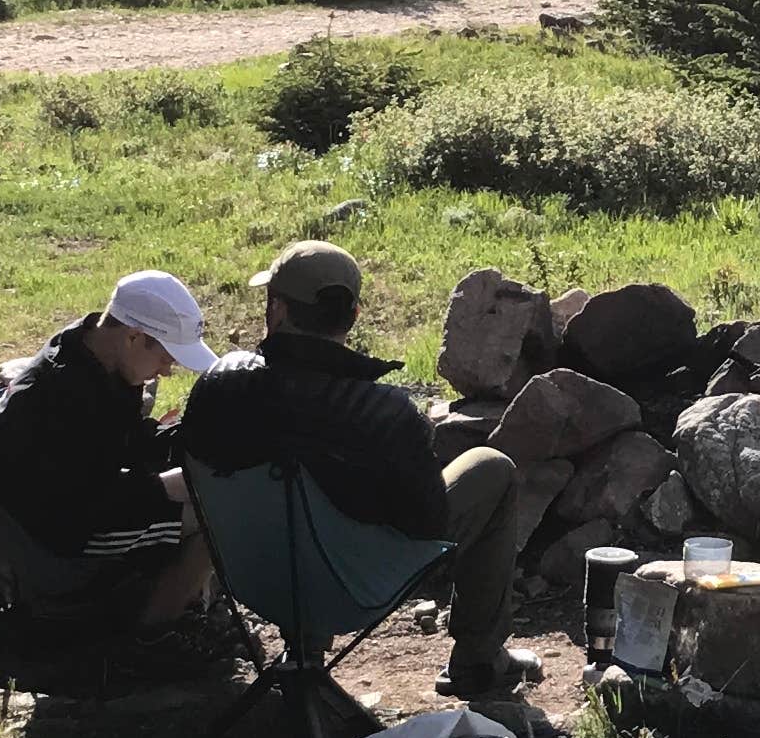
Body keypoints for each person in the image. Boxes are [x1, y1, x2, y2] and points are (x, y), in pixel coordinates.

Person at [179, 240, 549, 702]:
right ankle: (479, 660)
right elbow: (427, 524)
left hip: (255, 580)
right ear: (353, 317)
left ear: (276, 310)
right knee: (491, 467)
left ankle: (303, 652)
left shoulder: (219, 389)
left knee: (301, 507)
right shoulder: (385, 413)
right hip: (352, 592)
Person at [0, 269, 222, 631]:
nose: (167, 370)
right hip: (58, 541)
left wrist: (190, 439)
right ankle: (151, 636)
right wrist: (166, 488)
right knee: (216, 519)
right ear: (134, 336)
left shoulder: (91, 348)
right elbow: (84, 506)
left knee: (202, 489)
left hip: (77, 505)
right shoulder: (64, 398)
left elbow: (121, 444)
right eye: (167, 357)